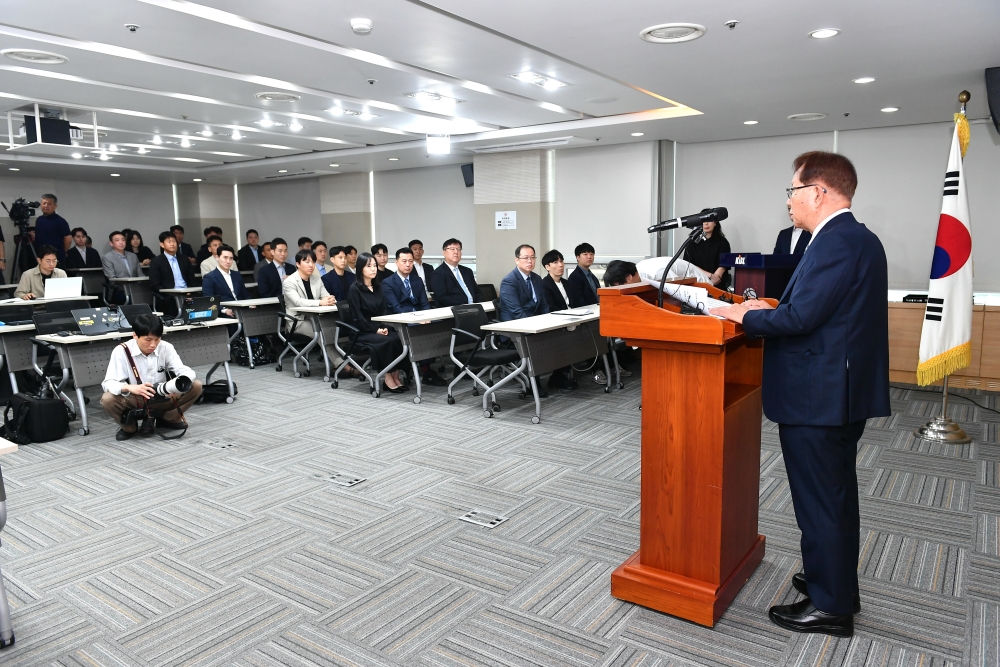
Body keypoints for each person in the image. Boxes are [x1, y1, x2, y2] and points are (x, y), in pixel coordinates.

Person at [710, 151, 889, 638]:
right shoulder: (852, 238)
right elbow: (820, 310)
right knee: (831, 497)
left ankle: (831, 608)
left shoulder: (836, 242)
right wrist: (770, 306)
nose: (788, 201)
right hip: (835, 390)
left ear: (818, 192)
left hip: (821, 397)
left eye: (793, 191)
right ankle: (828, 580)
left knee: (822, 501)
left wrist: (741, 315)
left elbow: (801, 319)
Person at [100, 313, 203, 441]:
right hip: (136, 397)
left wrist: (174, 385)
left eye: (157, 339)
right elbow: (108, 383)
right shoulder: (121, 351)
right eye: (148, 340)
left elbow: (186, 371)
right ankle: (129, 427)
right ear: (135, 336)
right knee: (108, 399)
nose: (153, 344)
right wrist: (130, 388)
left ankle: (167, 419)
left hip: (161, 395)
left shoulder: (166, 347)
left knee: (196, 385)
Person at [382, 247, 446, 387]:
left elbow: (424, 303)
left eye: (410, 261)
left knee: (439, 325)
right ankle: (426, 370)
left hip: (420, 317)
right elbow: (396, 308)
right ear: (396, 262)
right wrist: (417, 319)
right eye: (404, 261)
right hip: (401, 320)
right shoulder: (388, 282)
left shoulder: (417, 280)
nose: (407, 264)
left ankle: (428, 365)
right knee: (419, 330)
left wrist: (427, 317)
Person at [348, 252, 407, 392]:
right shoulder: (354, 289)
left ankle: (396, 375)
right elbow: (358, 318)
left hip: (379, 327)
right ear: (361, 268)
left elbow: (384, 311)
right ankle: (387, 378)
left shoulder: (378, 287)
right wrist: (375, 330)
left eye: (374, 266)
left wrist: (385, 326)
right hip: (362, 331)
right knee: (387, 341)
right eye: (369, 266)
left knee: (399, 338)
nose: (373, 269)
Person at [282, 248, 336, 340]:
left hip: (316, 318)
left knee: (335, 330)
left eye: (313, 262)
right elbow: (298, 302)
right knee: (324, 333)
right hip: (298, 322)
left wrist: (330, 299)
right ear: (298, 264)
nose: (311, 265)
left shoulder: (317, 279)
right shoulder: (289, 282)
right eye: (307, 262)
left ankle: (336, 354)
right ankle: (334, 355)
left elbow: (326, 296)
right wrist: (320, 302)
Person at [149, 231, 195, 313]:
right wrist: (171, 293)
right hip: (169, 295)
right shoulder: (156, 261)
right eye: (169, 241)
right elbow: (155, 285)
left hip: (187, 293)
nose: (172, 244)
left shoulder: (184, 259)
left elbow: (192, 279)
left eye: (174, 241)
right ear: (162, 244)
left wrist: (189, 291)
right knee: (173, 303)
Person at [684, 214, 732, 289]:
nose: (706, 223)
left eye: (709, 220)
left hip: (718, 285)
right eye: (703, 221)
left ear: (715, 223)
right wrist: (710, 276)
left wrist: (715, 277)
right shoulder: (691, 243)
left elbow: (724, 264)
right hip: (697, 284)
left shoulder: (723, 242)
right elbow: (689, 265)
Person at [430, 238, 482, 307]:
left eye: (459, 249)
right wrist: (466, 305)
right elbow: (443, 299)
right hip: (455, 312)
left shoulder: (467, 271)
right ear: (444, 252)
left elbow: (477, 292)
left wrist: (479, 305)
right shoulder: (438, 274)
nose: (456, 252)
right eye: (452, 249)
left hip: (476, 309)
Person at [202, 244, 250, 316]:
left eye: (231, 258)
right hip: (224, 312)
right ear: (217, 257)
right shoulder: (209, 277)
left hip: (242, 309)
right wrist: (224, 310)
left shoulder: (237, 275)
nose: (228, 261)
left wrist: (250, 304)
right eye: (225, 258)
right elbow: (209, 300)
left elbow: (245, 295)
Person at [102, 231, 142, 303]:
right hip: (119, 290)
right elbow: (112, 278)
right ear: (111, 243)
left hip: (135, 289)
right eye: (117, 240)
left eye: (123, 240)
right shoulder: (107, 257)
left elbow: (140, 275)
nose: (121, 242)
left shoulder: (133, 256)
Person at [34, 194, 71, 266]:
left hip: (56, 258)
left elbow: (68, 239)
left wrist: (63, 251)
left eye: (49, 204)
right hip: (41, 257)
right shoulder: (39, 220)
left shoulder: (60, 221)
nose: (46, 206)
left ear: (55, 206)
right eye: (44, 203)